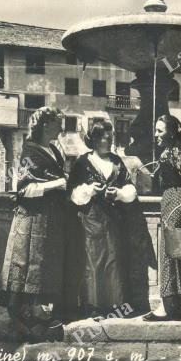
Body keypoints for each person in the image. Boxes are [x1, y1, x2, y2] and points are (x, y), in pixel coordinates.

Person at [0, 106, 77, 340]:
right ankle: (29, 316)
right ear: (45, 125)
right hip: (32, 218)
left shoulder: (54, 149)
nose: (61, 128)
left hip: (50, 218)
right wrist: (58, 184)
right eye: (57, 123)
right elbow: (25, 189)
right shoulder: (30, 152)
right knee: (29, 264)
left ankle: (40, 313)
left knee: (43, 265)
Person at [68, 120, 138, 319]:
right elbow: (72, 193)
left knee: (114, 261)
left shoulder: (117, 161)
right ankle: (93, 307)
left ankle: (116, 306)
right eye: (106, 138)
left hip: (114, 220)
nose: (110, 141)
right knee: (93, 262)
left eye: (111, 137)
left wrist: (119, 193)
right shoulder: (82, 163)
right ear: (95, 139)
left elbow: (130, 187)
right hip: (91, 219)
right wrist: (90, 190)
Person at [143, 114, 181, 322]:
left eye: (160, 131)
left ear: (171, 132)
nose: (156, 135)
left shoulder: (177, 151)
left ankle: (166, 306)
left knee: (169, 253)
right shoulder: (177, 150)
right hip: (179, 202)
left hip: (175, 202)